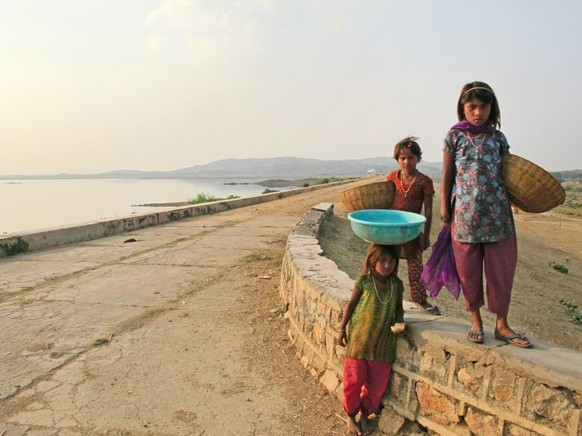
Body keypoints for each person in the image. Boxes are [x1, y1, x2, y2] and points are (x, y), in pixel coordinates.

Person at [440, 81, 532, 348]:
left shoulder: (498, 138)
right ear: (462, 108)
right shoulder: (454, 136)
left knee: (502, 268)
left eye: (483, 107)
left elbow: (509, 174)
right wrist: (445, 209)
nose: (478, 112)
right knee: (468, 270)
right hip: (465, 214)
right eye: (472, 107)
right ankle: (475, 319)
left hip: (498, 215)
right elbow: (447, 176)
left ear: (492, 109)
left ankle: (502, 324)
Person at [337, 244, 405, 435]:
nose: (387, 265)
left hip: (384, 344)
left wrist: (400, 323)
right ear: (372, 261)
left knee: (377, 387)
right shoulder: (364, 281)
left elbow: (399, 308)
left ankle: (365, 415)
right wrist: (342, 329)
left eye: (391, 261)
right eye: (382, 260)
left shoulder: (397, 285)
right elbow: (351, 305)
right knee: (354, 381)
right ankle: (350, 415)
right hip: (360, 341)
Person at [387, 137, 442, 315]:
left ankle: (420, 300)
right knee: (388, 264)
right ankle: (387, 296)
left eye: (411, 157)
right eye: (402, 158)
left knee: (415, 266)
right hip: (392, 230)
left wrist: (425, 237)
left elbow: (428, 212)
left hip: (412, 231)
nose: (406, 161)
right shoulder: (393, 177)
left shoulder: (424, 182)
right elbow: (385, 200)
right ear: (397, 160)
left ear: (418, 158)